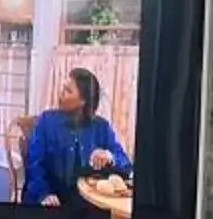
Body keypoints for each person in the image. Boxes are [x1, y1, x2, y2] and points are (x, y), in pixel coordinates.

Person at [23, 66, 132, 205]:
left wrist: (109, 157)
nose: (60, 93)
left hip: (87, 204)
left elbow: (126, 165)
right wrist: (44, 194)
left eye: (67, 91)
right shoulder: (46, 121)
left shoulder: (101, 127)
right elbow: (34, 165)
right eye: (63, 88)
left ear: (83, 101)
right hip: (50, 200)